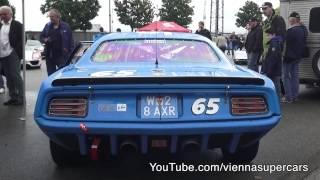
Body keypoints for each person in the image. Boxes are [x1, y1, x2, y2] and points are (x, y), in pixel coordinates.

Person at [0, 6, 24, 105]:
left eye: (4, 14)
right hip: (2, 54)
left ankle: (21, 97)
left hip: (12, 53)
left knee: (15, 75)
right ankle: (13, 96)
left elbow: (22, 39)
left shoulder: (17, 25)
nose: (2, 16)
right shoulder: (0, 25)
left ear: (11, 14)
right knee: (9, 77)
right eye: (1, 14)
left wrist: (16, 51)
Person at [282, 12, 307, 103]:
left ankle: (288, 97)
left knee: (285, 76)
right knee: (295, 76)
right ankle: (295, 96)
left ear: (292, 20)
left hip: (288, 57)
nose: (288, 21)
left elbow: (283, 42)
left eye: (289, 19)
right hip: (298, 56)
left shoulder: (290, 31)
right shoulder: (303, 30)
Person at [40, 9, 74, 76]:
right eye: (50, 17)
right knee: (51, 76)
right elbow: (41, 37)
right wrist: (45, 40)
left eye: (52, 17)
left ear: (58, 16)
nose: (50, 18)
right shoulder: (47, 26)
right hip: (50, 56)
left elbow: (71, 41)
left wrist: (70, 54)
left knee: (63, 75)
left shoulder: (66, 26)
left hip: (62, 56)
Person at [261, 29, 282, 98]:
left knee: (275, 84)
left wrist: (269, 70)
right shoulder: (276, 41)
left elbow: (273, 58)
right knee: (276, 83)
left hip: (274, 69)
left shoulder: (274, 43)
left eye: (268, 35)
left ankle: (277, 98)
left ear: (273, 34)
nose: (267, 37)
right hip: (276, 68)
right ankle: (278, 97)